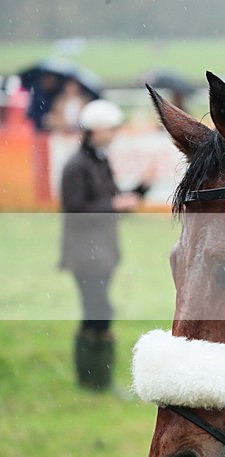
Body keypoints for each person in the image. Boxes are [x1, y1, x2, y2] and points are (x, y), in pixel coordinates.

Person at [59, 99, 150, 393]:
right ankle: (96, 381)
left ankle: (94, 381)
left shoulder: (99, 160)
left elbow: (112, 200)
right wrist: (113, 204)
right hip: (85, 254)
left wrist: (139, 190)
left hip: (103, 252)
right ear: (95, 130)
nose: (114, 133)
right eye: (111, 128)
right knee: (98, 310)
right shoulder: (76, 166)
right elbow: (75, 209)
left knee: (98, 310)